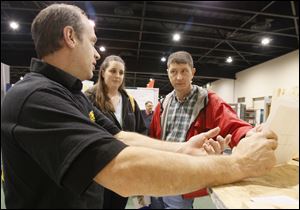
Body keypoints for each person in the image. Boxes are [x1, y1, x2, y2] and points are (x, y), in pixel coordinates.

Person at [1, 4, 278, 209]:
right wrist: (238, 164)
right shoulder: (35, 97)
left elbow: (120, 136)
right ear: (71, 37)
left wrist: (181, 149)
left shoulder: (72, 94)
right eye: (93, 42)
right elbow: (120, 169)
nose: (97, 53)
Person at [149, 51, 257, 209]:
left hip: (183, 175)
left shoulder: (208, 100)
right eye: (173, 71)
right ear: (168, 73)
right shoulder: (163, 104)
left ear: (192, 72)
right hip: (160, 171)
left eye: (184, 71)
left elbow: (232, 124)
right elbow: (153, 137)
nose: (179, 77)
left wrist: (250, 135)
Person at [85, 55, 147, 209]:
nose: (117, 76)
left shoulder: (129, 101)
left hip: (125, 168)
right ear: (103, 72)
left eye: (121, 72)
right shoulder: (88, 99)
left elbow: (141, 130)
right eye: (113, 71)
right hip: (98, 171)